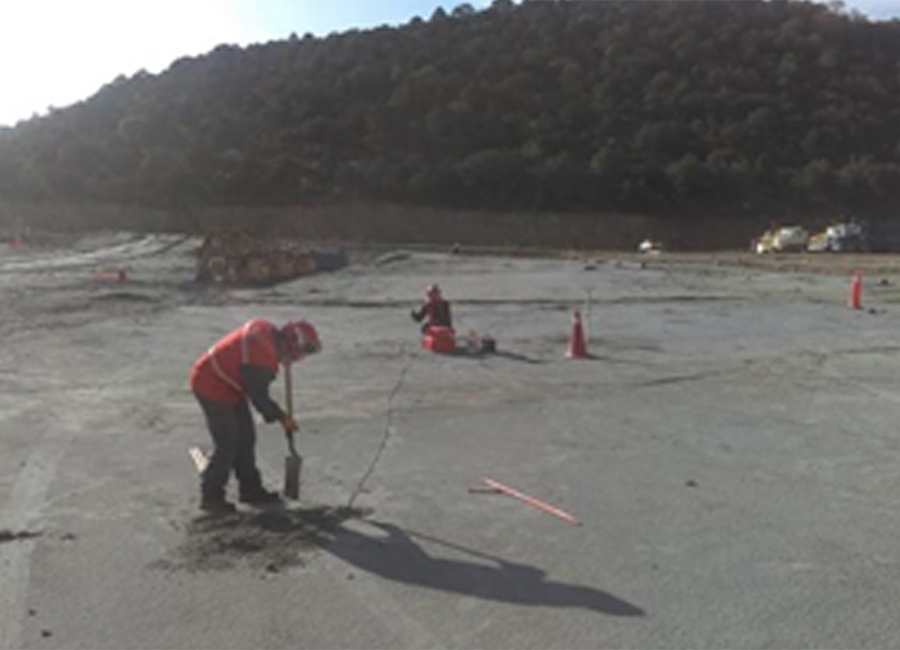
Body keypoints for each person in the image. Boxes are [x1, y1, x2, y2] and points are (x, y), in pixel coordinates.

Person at [189, 318, 321, 514]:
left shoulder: (267, 334)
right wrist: (282, 417)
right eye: (301, 352)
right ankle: (211, 496)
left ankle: (250, 490)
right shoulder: (261, 358)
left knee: (246, 438)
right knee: (228, 442)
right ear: (292, 343)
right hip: (210, 384)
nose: (299, 358)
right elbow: (259, 399)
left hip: (231, 383)